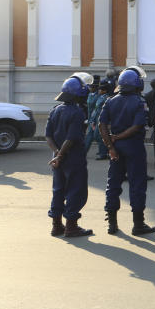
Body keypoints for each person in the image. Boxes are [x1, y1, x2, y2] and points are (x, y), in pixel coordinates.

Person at [100, 69, 155, 236]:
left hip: (116, 148)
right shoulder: (140, 102)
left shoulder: (110, 101)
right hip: (134, 147)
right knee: (137, 185)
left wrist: (110, 146)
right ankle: (138, 224)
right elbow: (138, 126)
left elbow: (102, 124)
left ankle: (112, 223)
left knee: (113, 184)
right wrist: (118, 137)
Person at [45, 75, 94, 238]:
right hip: (72, 158)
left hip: (57, 159)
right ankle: (71, 226)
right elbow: (72, 138)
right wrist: (61, 155)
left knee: (58, 190)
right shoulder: (77, 112)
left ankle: (56, 225)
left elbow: (48, 136)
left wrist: (57, 155)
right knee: (76, 191)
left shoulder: (54, 110)